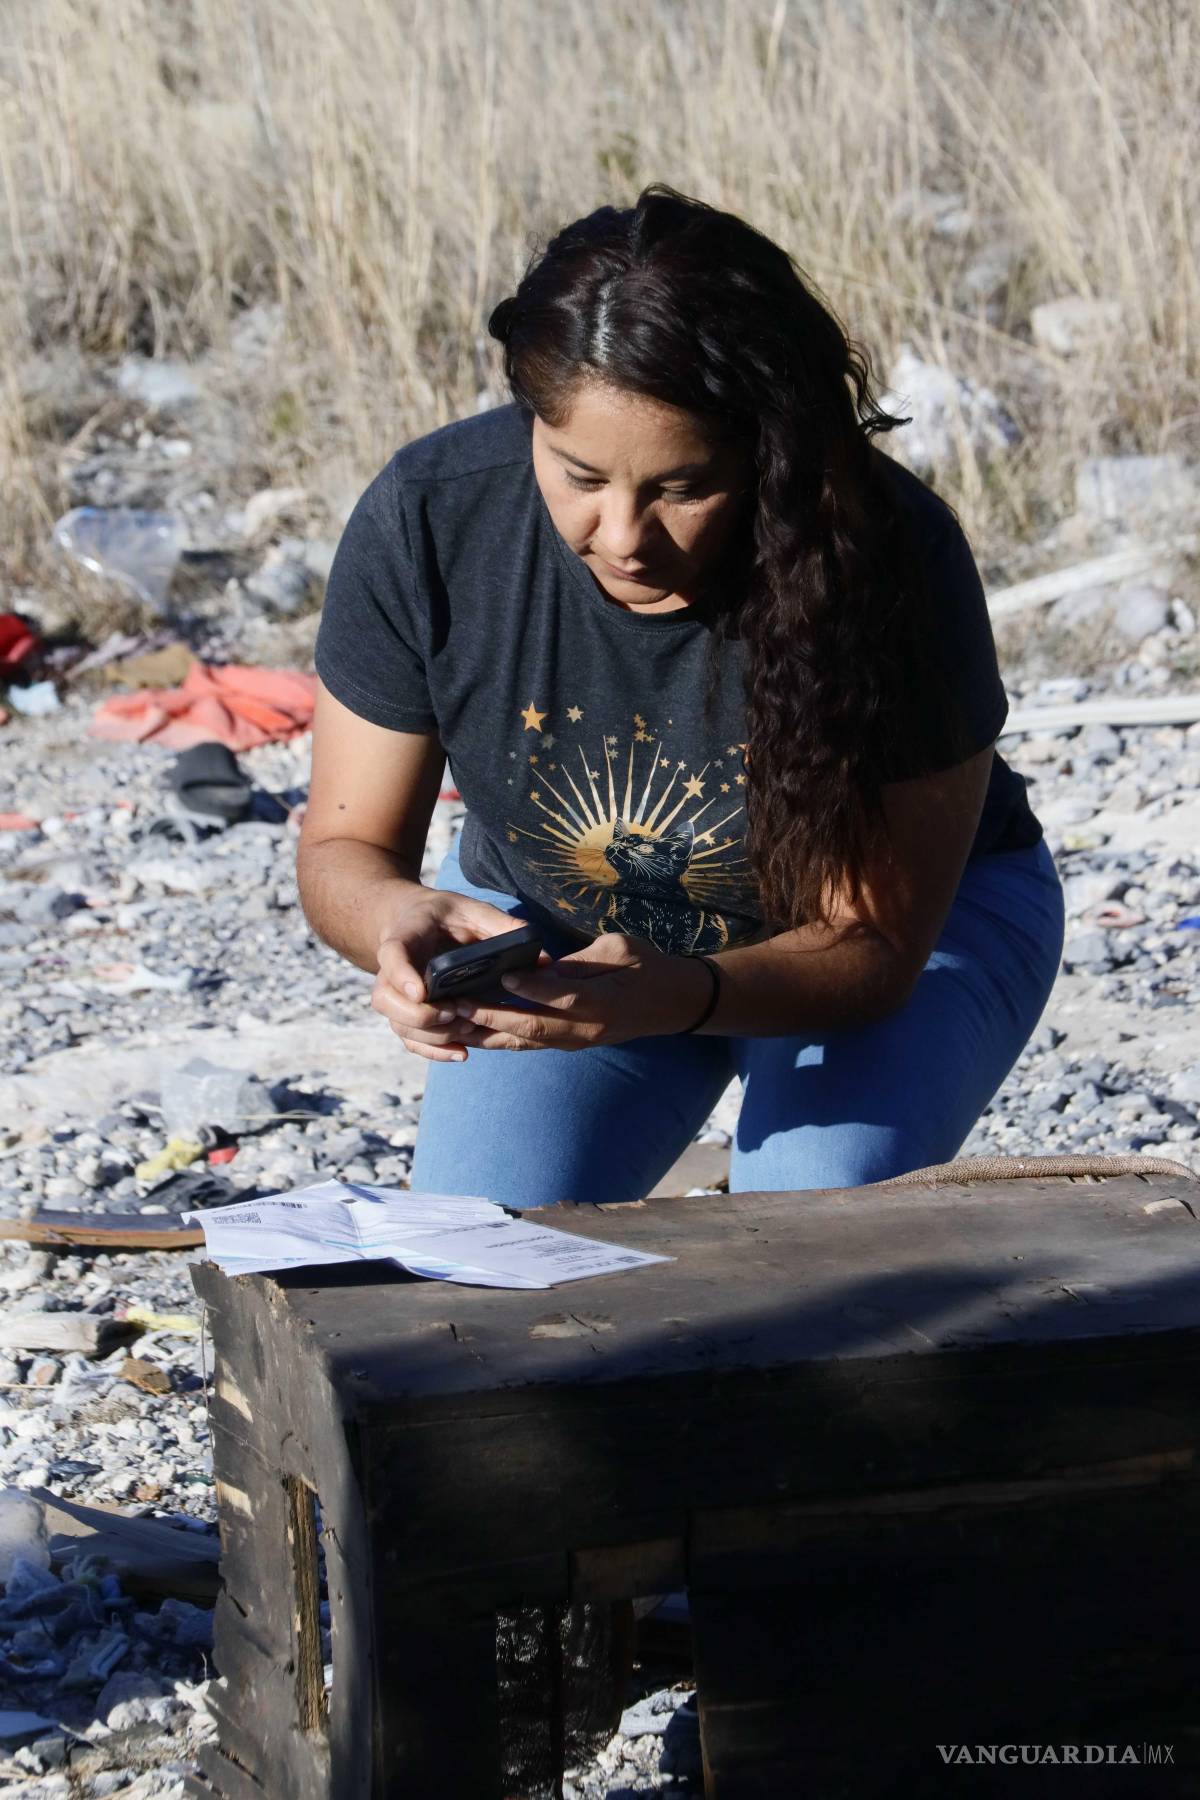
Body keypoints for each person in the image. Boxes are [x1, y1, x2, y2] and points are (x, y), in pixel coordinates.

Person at [297, 185, 1064, 1209]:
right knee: (471, 1258)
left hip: (896, 942)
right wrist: (401, 921)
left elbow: (873, 949)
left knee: (811, 1233)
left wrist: (688, 994)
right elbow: (344, 850)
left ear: (766, 453)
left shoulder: (891, 554)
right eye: (577, 475)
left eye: (682, 487)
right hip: (564, 941)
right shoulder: (431, 517)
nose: (621, 536)